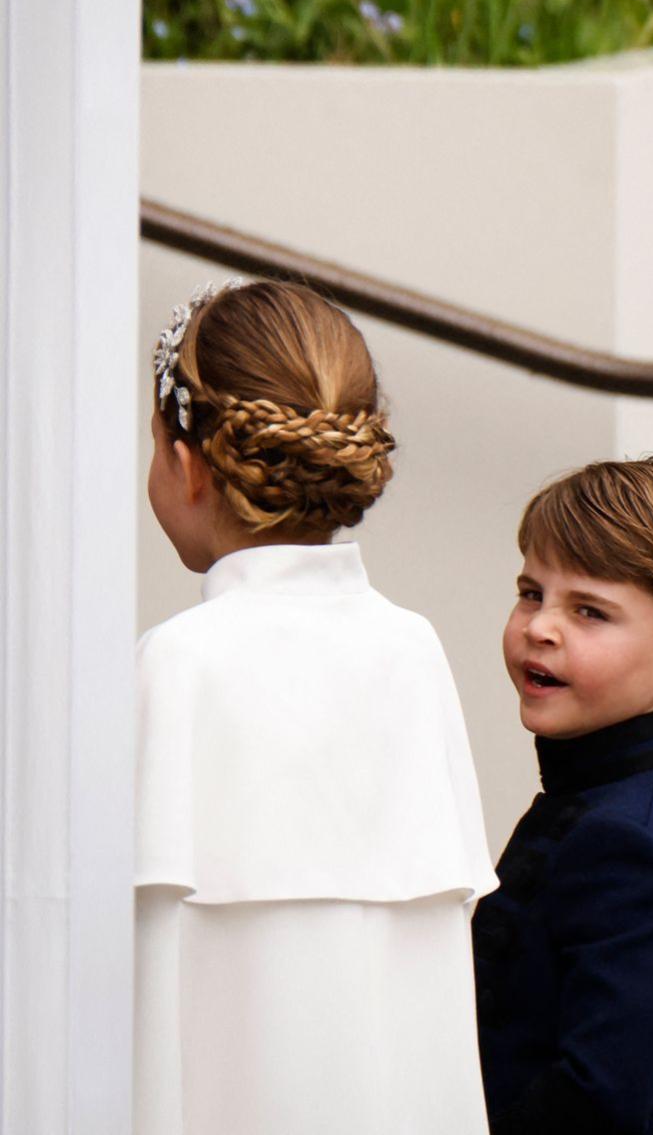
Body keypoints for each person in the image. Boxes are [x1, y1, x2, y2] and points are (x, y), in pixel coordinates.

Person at [135, 277, 496, 1135]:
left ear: (186, 464)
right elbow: (434, 995)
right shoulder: (414, 651)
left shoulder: (177, 664)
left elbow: (146, 999)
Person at [473, 457, 653, 1135]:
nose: (540, 626)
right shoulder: (615, 793)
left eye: (589, 610)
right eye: (531, 591)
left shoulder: (629, 840)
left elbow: (592, 1103)